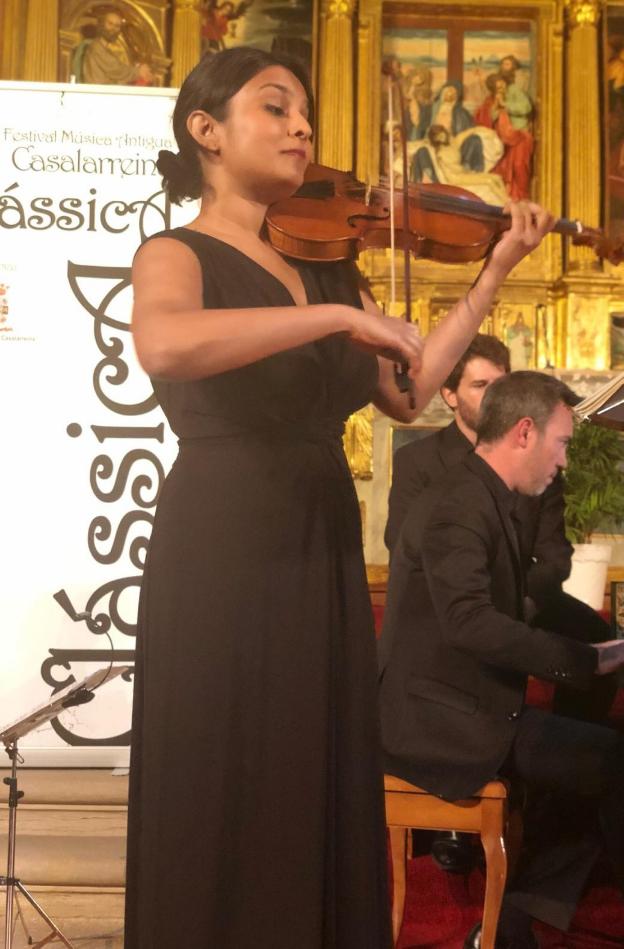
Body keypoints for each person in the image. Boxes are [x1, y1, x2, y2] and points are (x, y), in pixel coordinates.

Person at [124, 46, 554, 949]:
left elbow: (408, 390)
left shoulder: (326, 262)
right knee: (224, 761)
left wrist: (494, 271)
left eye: (305, 112)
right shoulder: (175, 250)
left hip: (316, 533)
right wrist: (339, 318)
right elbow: (164, 344)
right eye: (275, 107)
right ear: (205, 130)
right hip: (222, 536)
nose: (302, 126)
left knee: (308, 769)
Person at [378, 371, 624, 949]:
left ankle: (518, 919)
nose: (564, 462)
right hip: (439, 723)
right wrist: (579, 661)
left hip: (470, 705)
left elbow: (518, 602)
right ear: (523, 433)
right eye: (561, 444)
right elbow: (468, 621)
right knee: (609, 762)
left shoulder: (483, 494)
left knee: (597, 759)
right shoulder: (459, 505)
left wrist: (595, 648)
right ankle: (519, 920)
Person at [79, 9, 152, 86]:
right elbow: (116, 70)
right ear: (102, 24)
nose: (113, 29)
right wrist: (138, 71)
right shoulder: (96, 47)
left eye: (117, 26)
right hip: (97, 93)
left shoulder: (107, 50)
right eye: (110, 24)